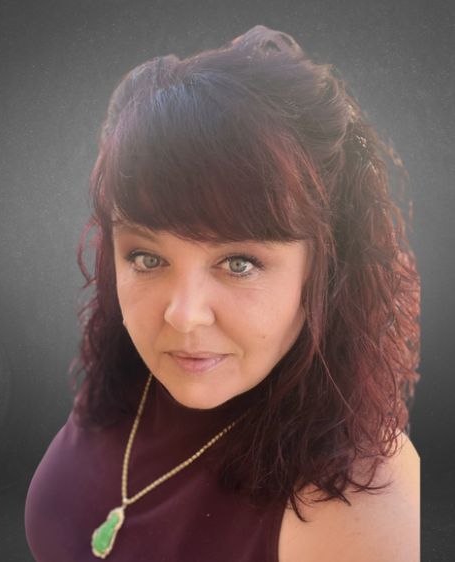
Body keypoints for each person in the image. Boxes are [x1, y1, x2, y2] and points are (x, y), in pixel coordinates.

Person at [25, 25, 420, 561]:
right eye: (147, 258)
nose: (183, 315)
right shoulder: (126, 378)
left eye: (239, 263)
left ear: (326, 267)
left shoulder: (361, 503)